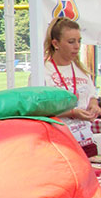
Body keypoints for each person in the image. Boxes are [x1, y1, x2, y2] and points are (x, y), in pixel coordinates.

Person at [41, 17, 101, 157]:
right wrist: (72, 113)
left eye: (79, 41)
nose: (77, 46)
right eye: (71, 42)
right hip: (59, 145)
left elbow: (91, 96)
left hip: (85, 141)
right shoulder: (44, 72)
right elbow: (40, 109)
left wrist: (94, 106)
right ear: (56, 43)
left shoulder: (81, 70)